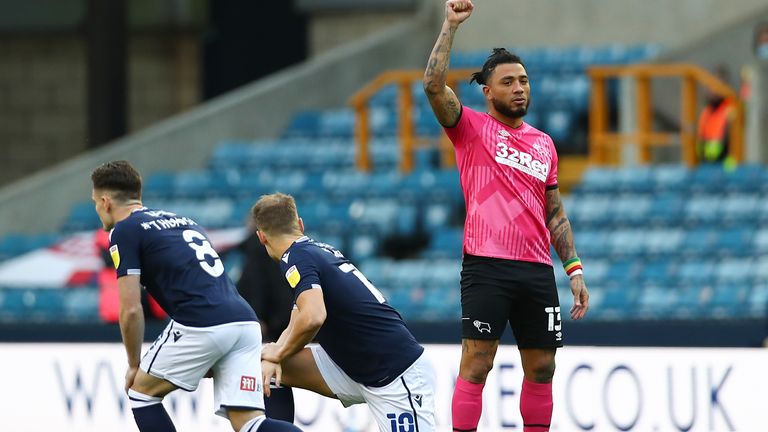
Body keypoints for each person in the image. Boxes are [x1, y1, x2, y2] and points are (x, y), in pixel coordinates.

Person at [422, 2, 590, 431]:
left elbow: (555, 213)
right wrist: (449, 26)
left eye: (524, 81)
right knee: (477, 364)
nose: (520, 88)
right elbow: (432, 85)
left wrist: (573, 269)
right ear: (488, 91)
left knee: (542, 368)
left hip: (536, 270)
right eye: (509, 81)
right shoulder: (470, 128)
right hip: (487, 265)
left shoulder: (544, 144)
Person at [90, 160, 301, 432]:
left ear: (106, 202)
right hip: (245, 323)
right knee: (249, 424)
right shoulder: (182, 221)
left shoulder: (124, 231)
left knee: (142, 394)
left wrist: (134, 365)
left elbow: (130, 310)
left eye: (96, 202)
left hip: (202, 322)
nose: (97, 209)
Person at [251, 192, 437, 432]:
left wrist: (278, 354)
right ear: (300, 224)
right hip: (357, 367)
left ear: (261, 237)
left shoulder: (295, 257)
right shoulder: (317, 251)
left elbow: (314, 317)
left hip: (396, 374)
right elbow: (299, 316)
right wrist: (273, 354)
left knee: (273, 359)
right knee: (266, 365)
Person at [236, 223, 296, 422]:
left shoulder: (255, 253)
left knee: (269, 375)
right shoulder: (298, 252)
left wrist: (257, 317)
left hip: (272, 332)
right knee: (275, 377)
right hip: (293, 329)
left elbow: (255, 288)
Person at [696, 66, 736, 166]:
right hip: (706, 165)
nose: (712, 90)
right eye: (710, 86)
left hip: (727, 170)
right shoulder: (706, 112)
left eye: (716, 85)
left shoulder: (732, 109)